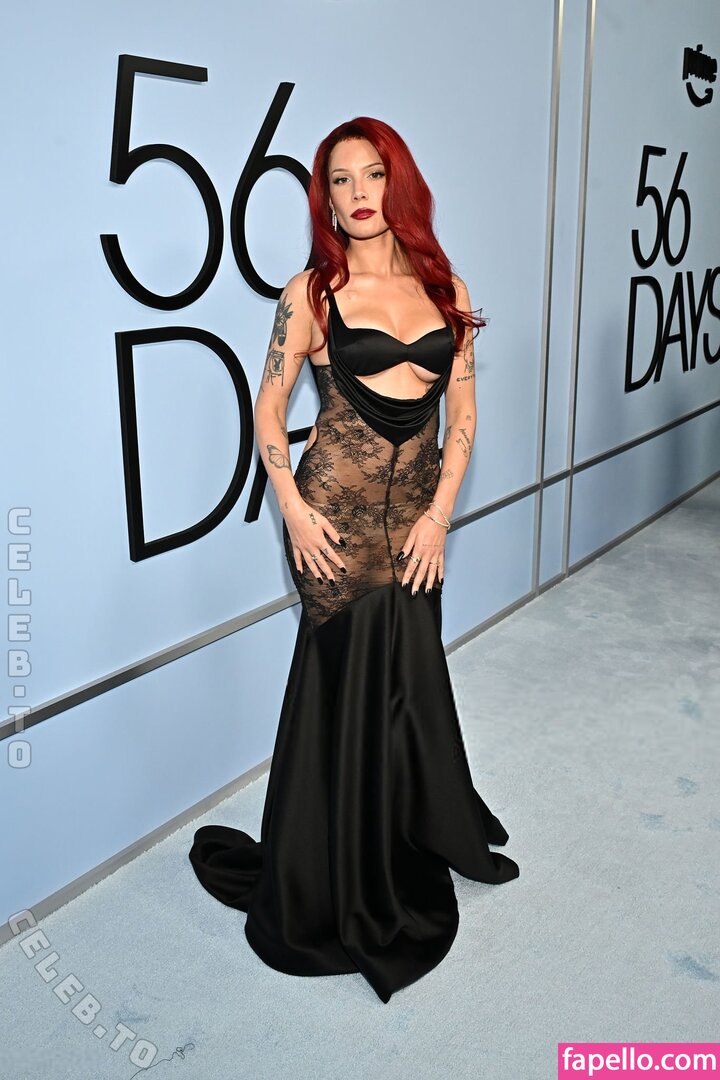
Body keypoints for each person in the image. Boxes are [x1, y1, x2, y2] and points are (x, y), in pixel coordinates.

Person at [189, 117, 519, 1004]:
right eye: (339, 180)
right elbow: (268, 408)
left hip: (417, 526)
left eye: (372, 174)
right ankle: (329, 871)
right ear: (325, 200)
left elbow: (464, 417)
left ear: (397, 183)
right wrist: (291, 510)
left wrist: (441, 518)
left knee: (407, 681)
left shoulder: (446, 287)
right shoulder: (311, 293)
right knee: (341, 692)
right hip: (330, 521)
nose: (357, 193)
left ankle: (404, 832)